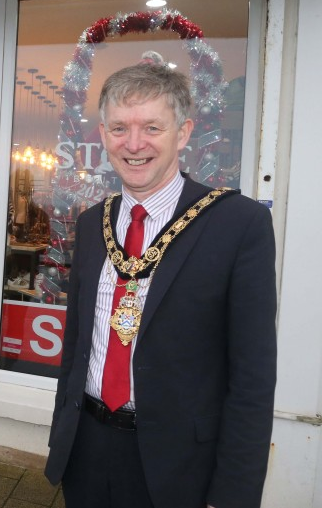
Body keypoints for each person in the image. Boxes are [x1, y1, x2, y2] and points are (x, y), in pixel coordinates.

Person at [44, 62, 277, 508]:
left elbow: (252, 378)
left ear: (183, 133)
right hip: (85, 450)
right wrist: (62, 436)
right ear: (103, 133)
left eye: (152, 127)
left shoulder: (238, 224)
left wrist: (233, 495)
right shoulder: (94, 222)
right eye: (119, 128)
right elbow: (77, 345)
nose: (134, 144)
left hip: (179, 465)